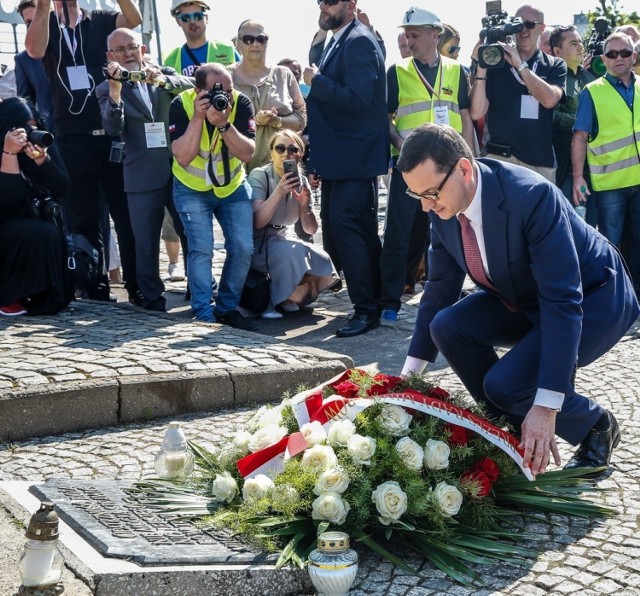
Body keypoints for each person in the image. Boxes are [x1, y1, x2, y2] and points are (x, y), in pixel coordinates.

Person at [399, 123, 639, 478]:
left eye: (430, 193)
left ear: (464, 169)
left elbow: (562, 299)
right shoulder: (444, 208)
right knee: (446, 327)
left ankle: (595, 425)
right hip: (524, 296)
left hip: (592, 300)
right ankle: (505, 430)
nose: (425, 207)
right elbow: (438, 290)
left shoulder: (530, 196)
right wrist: (408, 380)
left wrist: (545, 406)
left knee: (508, 384)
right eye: (415, 195)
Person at [25, 0, 142, 303]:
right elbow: (34, 50)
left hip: (112, 128)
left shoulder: (99, 19)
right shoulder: (47, 20)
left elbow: (134, 19)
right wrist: (42, 6)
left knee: (124, 213)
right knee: (84, 216)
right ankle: (94, 284)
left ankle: (136, 284)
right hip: (73, 134)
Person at [379, 7, 475, 322]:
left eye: (415, 34)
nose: (410, 40)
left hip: (448, 170)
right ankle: (390, 300)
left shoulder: (458, 71)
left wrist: (471, 158)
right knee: (399, 231)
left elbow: (465, 116)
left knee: (448, 233)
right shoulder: (397, 72)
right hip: (411, 170)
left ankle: (443, 296)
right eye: (407, 34)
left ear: (436, 34)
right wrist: (398, 144)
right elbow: (386, 118)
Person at [303, 0, 389, 338]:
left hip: (356, 158)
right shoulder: (338, 38)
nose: (324, 6)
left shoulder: (359, 40)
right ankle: (374, 302)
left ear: (352, 4)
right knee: (354, 231)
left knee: (347, 230)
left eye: (332, 1)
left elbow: (358, 99)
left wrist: (317, 81)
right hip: (341, 159)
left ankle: (367, 310)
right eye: (320, 1)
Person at [97, 28, 193, 312]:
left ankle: (198, 289)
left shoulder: (161, 73)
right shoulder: (106, 88)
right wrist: (116, 91)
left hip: (179, 170)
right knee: (145, 242)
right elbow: (113, 129)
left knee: (190, 232)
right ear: (110, 56)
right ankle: (152, 299)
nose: (128, 54)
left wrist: (163, 80)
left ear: (142, 49)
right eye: (121, 50)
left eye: (132, 47)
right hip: (140, 174)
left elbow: (193, 86)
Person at [169, 63, 257, 330]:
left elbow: (247, 153)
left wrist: (225, 124)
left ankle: (227, 308)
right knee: (201, 249)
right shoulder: (181, 104)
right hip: (192, 187)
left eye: (228, 89)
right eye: (217, 91)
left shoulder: (240, 103)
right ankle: (203, 313)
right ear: (198, 90)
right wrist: (198, 117)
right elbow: (182, 156)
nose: (225, 97)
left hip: (232, 187)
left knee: (243, 248)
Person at [571, 32, 640, 298]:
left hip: (638, 181)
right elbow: (579, 137)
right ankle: (611, 295)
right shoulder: (593, 92)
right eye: (612, 54)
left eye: (624, 53)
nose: (618, 58)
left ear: (634, 56)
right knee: (611, 241)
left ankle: (634, 293)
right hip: (610, 184)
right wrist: (578, 178)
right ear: (603, 59)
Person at [469, 4, 566, 182]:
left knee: (539, 210)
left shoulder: (555, 64)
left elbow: (550, 99)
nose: (523, 30)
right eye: (517, 24)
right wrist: (482, 67)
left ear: (542, 28)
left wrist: (520, 66)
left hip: (539, 162)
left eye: (529, 24)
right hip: (499, 158)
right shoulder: (497, 63)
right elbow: (476, 112)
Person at [247, 130, 338, 318]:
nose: (285, 154)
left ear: (300, 154)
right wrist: (279, 192)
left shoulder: (302, 180)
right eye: (279, 148)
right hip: (260, 241)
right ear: (271, 152)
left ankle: (287, 298)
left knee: (321, 257)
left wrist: (305, 207)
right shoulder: (260, 175)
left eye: (292, 149)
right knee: (292, 252)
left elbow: (310, 229)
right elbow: (257, 222)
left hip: (285, 236)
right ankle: (270, 303)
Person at [0, 98, 71, 316]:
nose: (29, 133)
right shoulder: (5, 148)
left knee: (47, 231)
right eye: (22, 127)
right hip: (5, 223)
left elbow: (63, 188)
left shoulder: (42, 144)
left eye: (34, 126)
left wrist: (43, 160)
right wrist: (9, 153)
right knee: (33, 232)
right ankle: (9, 296)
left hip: (35, 220)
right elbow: (8, 200)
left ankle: (44, 295)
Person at [230, 20, 306, 172]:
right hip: (236, 170)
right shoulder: (226, 76)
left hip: (280, 169)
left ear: (267, 42)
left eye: (261, 39)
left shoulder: (284, 74)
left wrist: (277, 121)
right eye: (248, 39)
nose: (255, 44)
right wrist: (252, 121)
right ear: (238, 43)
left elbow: (301, 120)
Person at [549, 25, 597, 225]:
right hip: (565, 166)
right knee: (571, 223)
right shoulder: (552, 78)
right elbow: (550, 116)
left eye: (580, 42)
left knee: (594, 225)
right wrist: (581, 125)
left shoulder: (591, 78)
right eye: (574, 43)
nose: (580, 47)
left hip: (594, 165)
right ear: (557, 51)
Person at [164, 0, 238, 77]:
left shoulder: (228, 50)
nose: (192, 21)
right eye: (186, 18)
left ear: (206, 18)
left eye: (197, 16)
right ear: (178, 21)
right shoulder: (171, 60)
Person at [14, 0, 55, 133]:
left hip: (87, 130)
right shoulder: (24, 60)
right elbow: (26, 103)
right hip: (52, 134)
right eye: (28, 22)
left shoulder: (75, 46)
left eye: (39, 18)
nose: (34, 25)